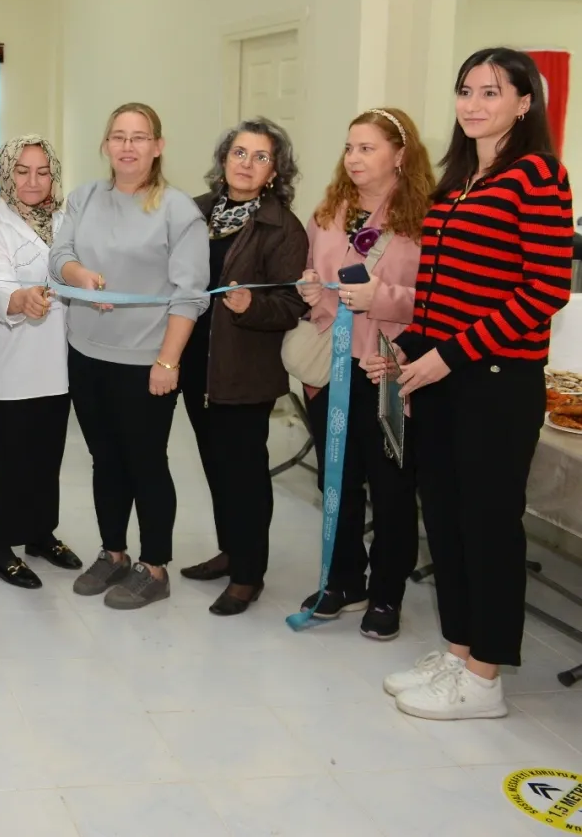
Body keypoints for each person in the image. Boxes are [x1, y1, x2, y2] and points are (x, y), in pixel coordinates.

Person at [379, 49, 572, 721]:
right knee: (447, 520)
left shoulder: (538, 175)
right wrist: (407, 349)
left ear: (524, 102)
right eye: (466, 90)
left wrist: (450, 355)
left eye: (492, 91)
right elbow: (441, 291)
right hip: (442, 375)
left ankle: (486, 676)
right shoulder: (460, 180)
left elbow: (546, 289)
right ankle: (459, 651)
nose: (474, 104)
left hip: (494, 380)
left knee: (487, 527)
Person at [51, 103, 207, 611]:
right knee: (105, 460)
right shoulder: (85, 198)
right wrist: (80, 276)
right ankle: (113, 553)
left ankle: (154, 566)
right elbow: (60, 256)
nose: (127, 146)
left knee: (145, 463)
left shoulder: (178, 211)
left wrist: (168, 362)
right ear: (106, 145)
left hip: (146, 362)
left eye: (139, 137)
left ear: (158, 147)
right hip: (87, 353)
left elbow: (190, 295)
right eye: (118, 136)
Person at [292, 107, 430, 640]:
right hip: (333, 368)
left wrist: (383, 298)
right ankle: (344, 580)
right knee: (337, 480)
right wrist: (311, 290)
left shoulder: (424, 220)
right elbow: (315, 277)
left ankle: (387, 592)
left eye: (367, 148)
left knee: (391, 490)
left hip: (389, 373)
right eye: (350, 147)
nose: (353, 158)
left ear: (400, 155)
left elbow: (440, 302)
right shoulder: (329, 212)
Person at [176, 119, 308, 615]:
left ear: (275, 171)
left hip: (245, 371)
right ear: (223, 159)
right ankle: (231, 551)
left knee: (245, 475)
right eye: (239, 153)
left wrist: (252, 305)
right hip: (196, 363)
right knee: (216, 466)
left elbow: (291, 305)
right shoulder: (194, 212)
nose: (247, 164)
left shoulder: (283, 227)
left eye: (261, 157)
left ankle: (249, 574)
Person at [0, 135, 80, 589]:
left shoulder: (65, 220)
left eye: (43, 171)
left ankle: (40, 533)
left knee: (45, 454)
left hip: (56, 361)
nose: (33, 181)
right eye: (22, 171)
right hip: (8, 361)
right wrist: (18, 299)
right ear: (5, 173)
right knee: (4, 458)